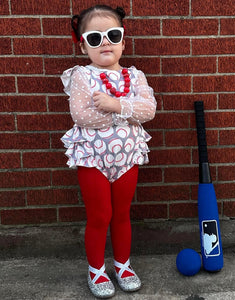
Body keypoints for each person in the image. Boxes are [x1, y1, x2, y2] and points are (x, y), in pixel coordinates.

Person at [60, 4, 156, 298]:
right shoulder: (81, 76)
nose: (105, 42)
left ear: (123, 41)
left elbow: (149, 109)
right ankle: (96, 269)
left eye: (113, 35)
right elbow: (81, 116)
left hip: (127, 158)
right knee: (100, 215)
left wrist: (115, 105)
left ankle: (123, 265)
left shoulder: (135, 76)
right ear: (83, 45)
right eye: (94, 37)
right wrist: (127, 113)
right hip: (93, 159)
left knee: (122, 214)